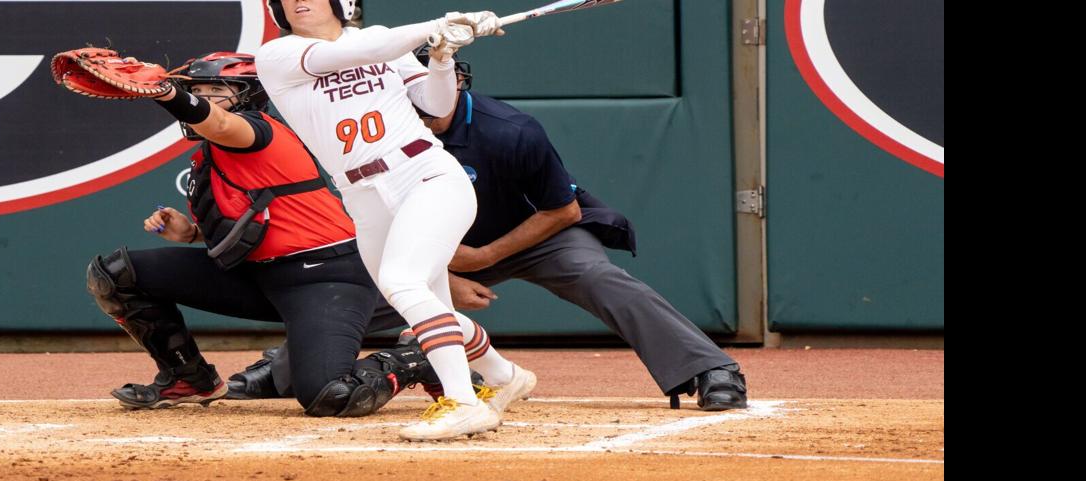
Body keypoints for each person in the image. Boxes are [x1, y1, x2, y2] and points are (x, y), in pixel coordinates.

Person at [233, 47, 750, 411]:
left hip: (539, 234)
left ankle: (710, 369)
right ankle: (285, 370)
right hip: (441, 243)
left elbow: (563, 211)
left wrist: (479, 259)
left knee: (598, 276)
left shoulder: (510, 130)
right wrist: (449, 272)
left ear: (455, 82)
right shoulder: (378, 139)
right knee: (376, 288)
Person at [86, 51, 449, 417]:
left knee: (329, 394)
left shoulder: (257, 129)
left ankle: (417, 356)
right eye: (197, 90)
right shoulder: (210, 154)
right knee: (117, 273)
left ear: (249, 95)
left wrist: (167, 93)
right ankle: (187, 378)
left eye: (215, 90)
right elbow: (257, 224)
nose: (204, 98)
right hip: (260, 275)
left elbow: (223, 126)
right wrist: (193, 233)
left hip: (326, 277)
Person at [257, 0, 528, 441]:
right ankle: (503, 375)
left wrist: (442, 57)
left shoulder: (381, 40)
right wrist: (437, 26)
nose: (296, 1)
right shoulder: (278, 55)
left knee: (404, 282)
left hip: (425, 173)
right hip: (363, 195)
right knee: (417, 300)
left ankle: (463, 402)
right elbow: (356, 54)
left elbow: (436, 104)